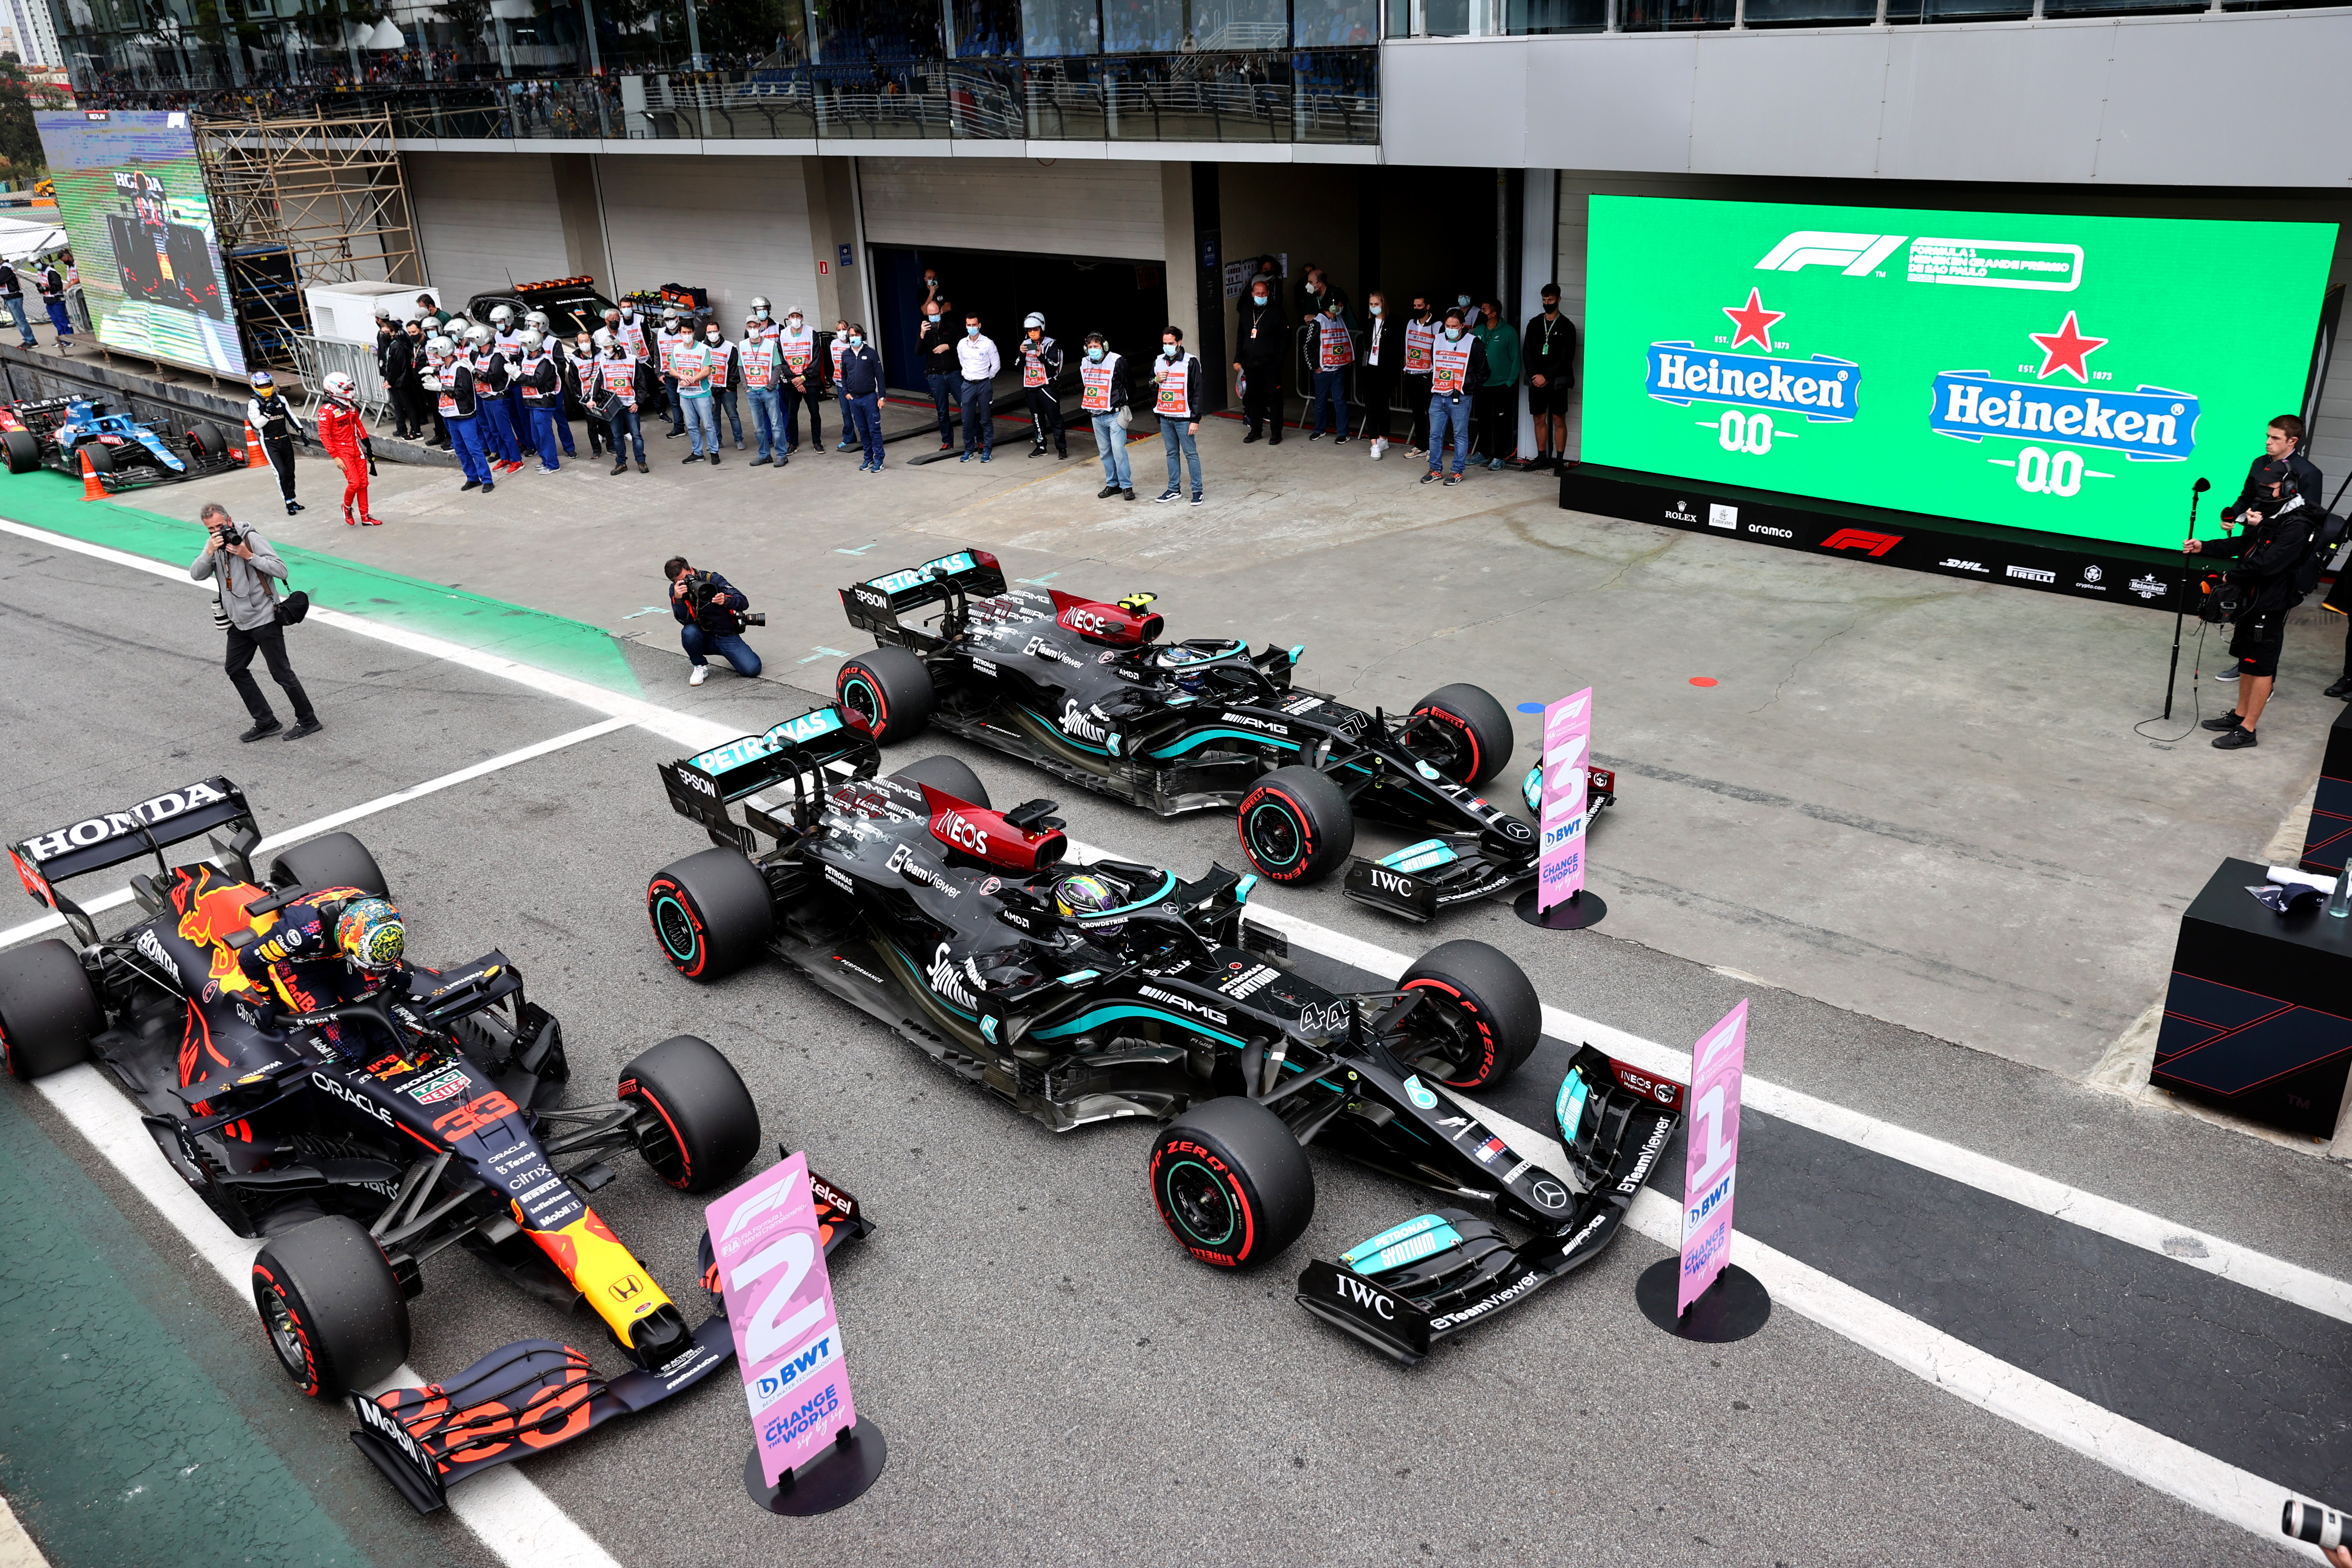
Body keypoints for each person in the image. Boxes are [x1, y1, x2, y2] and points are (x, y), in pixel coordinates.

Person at [2189, 454, 2315, 750]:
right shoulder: (2271, 515)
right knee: (2246, 660)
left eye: (2269, 488)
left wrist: (2230, 577)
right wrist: (2204, 546)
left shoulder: (2298, 524)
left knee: (2261, 667)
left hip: (2270, 603)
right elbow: (2244, 545)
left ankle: (2248, 731)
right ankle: (2239, 715)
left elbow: (2268, 565)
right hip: (2252, 600)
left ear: (2287, 489)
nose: (2263, 493)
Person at [190, 503, 319, 743]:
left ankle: (308, 720)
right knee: (235, 669)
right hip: (238, 623)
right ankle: (266, 721)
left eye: (220, 526)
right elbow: (196, 574)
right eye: (211, 529)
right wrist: (208, 551)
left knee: (281, 673)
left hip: (264, 619)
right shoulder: (214, 545)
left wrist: (248, 556)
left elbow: (282, 571)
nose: (217, 532)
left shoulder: (250, 538)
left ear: (230, 521)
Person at [236, 889, 405, 1045]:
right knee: (349, 1045)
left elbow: (389, 946)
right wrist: (271, 1000)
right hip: (302, 969)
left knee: (391, 1032)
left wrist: (396, 969)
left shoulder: (384, 913)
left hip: (344, 961)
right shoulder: (300, 934)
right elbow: (248, 959)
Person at [665, 555, 762, 686]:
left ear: (691, 570)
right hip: (703, 637)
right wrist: (679, 600)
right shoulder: (677, 591)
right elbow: (685, 620)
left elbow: (744, 603)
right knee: (689, 632)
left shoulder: (712, 579)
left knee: (752, 669)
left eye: (687, 577)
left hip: (726, 635)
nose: (687, 582)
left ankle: (733, 653)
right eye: (681, 582)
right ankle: (700, 666)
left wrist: (727, 600)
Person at [1421, 308, 1487, 487]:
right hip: (1439, 394)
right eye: (1448, 326)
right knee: (1435, 435)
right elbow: (1435, 364)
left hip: (1461, 397)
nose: (1450, 329)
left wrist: (1467, 387)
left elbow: (1484, 372)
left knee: (1460, 435)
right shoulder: (1438, 340)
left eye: (1454, 326)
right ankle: (1435, 469)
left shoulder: (1474, 344)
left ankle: (1457, 471)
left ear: (1463, 326)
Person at [316, 372, 380, 527]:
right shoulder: (326, 411)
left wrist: (368, 446)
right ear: (334, 389)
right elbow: (324, 435)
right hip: (341, 451)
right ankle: (346, 507)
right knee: (355, 483)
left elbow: (358, 425)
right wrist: (335, 456)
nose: (351, 389)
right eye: (347, 387)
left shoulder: (351, 406)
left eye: (351, 386)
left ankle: (365, 517)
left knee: (364, 483)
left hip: (356, 448)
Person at [1524, 283, 1574, 472]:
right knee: (1539, 418)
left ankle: (1560, 461)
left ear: (1558, 300)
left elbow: (1566, 357)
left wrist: (1546, 375)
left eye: (1551, 300)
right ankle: (1542, 457)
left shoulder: (1567, 326)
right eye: (1544, 300)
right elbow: (1527, 352)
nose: (1547, 303)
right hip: (1536, 380)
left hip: (1557, 382)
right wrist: (1535, 375)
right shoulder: (1535, 323)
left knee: (1558, 419)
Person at [1153, 326, 1204, 505]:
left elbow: (1198, 392)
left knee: (1191, 454)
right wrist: (1156, 380)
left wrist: (1195, 420)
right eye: (1165, 343)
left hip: (1184, 418)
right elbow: (1152, 387)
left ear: (1179, 343)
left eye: (1171, 343)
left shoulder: (1190, 362)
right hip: (1166, 417)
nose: (1167, 347)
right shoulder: (1158, 362)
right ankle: (1174, 489)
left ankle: (1197, 491)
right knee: (1171, 454)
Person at [1080, 332, 1135, 501]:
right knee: (1105, 453)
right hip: (1096, 415)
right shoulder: (1085, 363)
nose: (1093, 350)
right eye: (1090, 348)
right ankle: (1113, 484)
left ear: (1104, 347)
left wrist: (1124, 404)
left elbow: (1130, 385)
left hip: (1115, 414)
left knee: (1119, 451)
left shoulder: (1117, 361)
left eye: (1096, 347)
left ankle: (1126, 486)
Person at [244, 371, 306, 516]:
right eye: (262, 386)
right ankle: (288, 503)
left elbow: (290, 416)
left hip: (285, 439)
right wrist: (267, 413)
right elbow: (258, 425)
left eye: (267, 385)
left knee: (290, 472)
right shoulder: (254, 404)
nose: (265, 388)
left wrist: (301, 431)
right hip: (269, 443)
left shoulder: (281, 399)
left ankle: (293, 499)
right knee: (281, 473)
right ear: (255, 387)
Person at [1234, 271, 1285, 444]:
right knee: (1254, 398)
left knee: (1274, 398)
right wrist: (1237, 358)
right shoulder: (1247, 311)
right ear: (1253, 294)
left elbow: (1284, 339)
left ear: (1268, 294)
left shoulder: (1276, 312)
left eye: (1264, 293)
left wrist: (1278, 361)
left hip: (1271, 364)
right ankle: (1255, 431)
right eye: (1258, 294)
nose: (1261, 296)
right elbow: (1241, 336)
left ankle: (1276, 433)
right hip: (1251, 363)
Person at [595, 330, 654, 475]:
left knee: (636, 435)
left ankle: (641, 461)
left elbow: (641, 383)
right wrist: (592, 400)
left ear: (617, 347)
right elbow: (596, 383)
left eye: (607, 348)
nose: (604, 351)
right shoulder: (603, 362)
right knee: (617, 436)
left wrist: (638, 403)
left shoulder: (632, 360)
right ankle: (621, 463)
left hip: (631, 405)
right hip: (613, 407)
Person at [464, 325, 521, 471]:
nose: (471, 344)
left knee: (505, 431)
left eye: (473, 340)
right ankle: (505, 457)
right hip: (486, 398)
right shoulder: (478, 356)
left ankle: (517, 460)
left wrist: (474, 371)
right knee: (495, 431)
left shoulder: (497, 356)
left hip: (498, 398)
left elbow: (492, 377)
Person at [1471, 299, 1520, 470]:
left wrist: (1509, 383)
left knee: (1500, 423)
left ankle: (1499, 456)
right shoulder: (1477, 330)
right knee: (1483, 421)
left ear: (1494, 313)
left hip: (1501, 386)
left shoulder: (1509, 332)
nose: (1480, 313)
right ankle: (1483, 454)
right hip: (1482, 385)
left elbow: (1516, 359)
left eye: (1484, 310)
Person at [1356, 292, 1401, 459]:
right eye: (1371, 304)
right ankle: (1374, 442)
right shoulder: (1368, 323)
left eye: (1377, 304)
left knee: (1383, 405)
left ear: (1383, 303)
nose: (1374, 307)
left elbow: (1397, 348)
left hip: (1386, 371)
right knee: (1370, 406)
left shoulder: (1394, 321)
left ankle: (1383, 437)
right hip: (1370, 369)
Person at [1017, 313, 1066, 459]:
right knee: (1037, 419)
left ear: (1042, 328)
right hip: (1031, 389)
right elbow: (1018, 366)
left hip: (1048, 388)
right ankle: (1041, 446)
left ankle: (1062, 449)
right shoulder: (1026, 344)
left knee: (1055, 419)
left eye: (1036, 329)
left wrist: (1041, 356)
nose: (1032, 333)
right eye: (1029, 330)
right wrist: (1021, 354)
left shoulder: (1052, 344)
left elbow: (1055, 365)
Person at [838, 323, 886, 472]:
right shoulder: (846, 355)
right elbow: (844, 375)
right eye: (851, 335)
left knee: (874, 430)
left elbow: (880, 375)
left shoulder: (871, 353)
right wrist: (846, 392)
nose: (854, 338)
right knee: (863, 430)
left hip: (870, 398)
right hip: (854, 399)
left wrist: (882, 397)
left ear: (862, 336)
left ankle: (879, 459)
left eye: (857, 335)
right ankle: (868, 458)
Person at [1305, 294, 1353, 444]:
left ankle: (1343, 433)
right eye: (1338, 306)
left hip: (1338, 368)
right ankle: (1319, 429)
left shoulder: (1339, 320)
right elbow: (1308, 346)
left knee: (1340, 401)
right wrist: (1315, 366)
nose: (1340, 309)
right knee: (1321, 401)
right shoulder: (1318, 322)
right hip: (1323, 370)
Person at [516, 328, 564, 473]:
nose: (522, 347)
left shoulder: (545, 362)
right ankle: (545, 460)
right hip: (531, 402)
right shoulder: (528, 359)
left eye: (525, 344)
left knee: (545, 435)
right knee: (536, 436)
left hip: (543, 403)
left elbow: (537, 381)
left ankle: (553, 464)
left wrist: (519, 376)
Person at [741, 317, 787, 467]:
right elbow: (741, 367)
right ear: (747, 328)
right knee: (758, 428)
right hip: (752, 392)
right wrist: (746, 388)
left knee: (776, 425)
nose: (753, 330)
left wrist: (771, 386)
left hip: (768, 391)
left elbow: (777, 367)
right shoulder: (742, 346)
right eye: (750, 327)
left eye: (755, 327)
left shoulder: (770, 345)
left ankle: (781, 455)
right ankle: (764, 455)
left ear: (761, 327)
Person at [672, 325, 721, 465]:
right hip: (685, 395)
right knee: (692, 426)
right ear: (680, 333)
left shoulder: (703, 349)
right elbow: (672, 370)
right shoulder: (676, 349)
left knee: (708, 425)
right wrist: (682, 377)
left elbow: (707, 371)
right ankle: (697, 452)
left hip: (702, 394)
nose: (687, 335)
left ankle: (714, 451)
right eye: (684, 332)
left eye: (689, 332)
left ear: (693, 332)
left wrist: (691, 380)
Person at [778, 306, 821, 456]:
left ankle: (817, 442)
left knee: (815, 413)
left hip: (809, 380)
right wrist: (794, 380)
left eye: (798, 316)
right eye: (792, 316)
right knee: (791, 415)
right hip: (792, 383)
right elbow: (781, 360)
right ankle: (793, 444)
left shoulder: (811, 334)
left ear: (802, 318)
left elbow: (816, 358)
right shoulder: (783, 336)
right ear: (789, 318)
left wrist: (803, 378)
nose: (795, 319)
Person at [957, 312, 1000, 462]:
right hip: (968, 385)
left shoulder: (988, 343)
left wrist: (986, 377)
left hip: (984, 385)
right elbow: (962, 363)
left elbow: (996, 365)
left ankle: (987, 450)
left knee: (986, 419)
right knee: (967, 420)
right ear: (966, 326)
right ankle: (969, 450)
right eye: (969, 325)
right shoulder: (962, 344)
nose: (972, 328)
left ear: (979, 325)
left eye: (974, 325)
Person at [919, 296, 960, 449]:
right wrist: (922, 335)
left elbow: (963, 346)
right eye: (930, 315)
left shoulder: (951, 327)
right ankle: (947, 441)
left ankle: (979, 437)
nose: (934, 317)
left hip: (954, 372)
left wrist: (947, 346)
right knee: (942, 412)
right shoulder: (925, 330)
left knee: (966, 406)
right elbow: (918, 351)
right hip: (936, 375)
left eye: (936, 313)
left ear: (941, 312)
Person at [1402, 295, 1436, 454]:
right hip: (1412, 373)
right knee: (1417, 412)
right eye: (1414, 306)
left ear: (1427, 306)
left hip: (1427, 375)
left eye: (1419, 306)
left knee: (1431, 412)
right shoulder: (1410, 323)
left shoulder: (1437, 325)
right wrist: (1406, 369)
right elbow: (1406, 348)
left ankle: (1432, 446)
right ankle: (1421, 444)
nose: (1416, 309)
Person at [703, 320, 744, 451]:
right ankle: (717, 441)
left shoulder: (730, 347)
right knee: (714, 417)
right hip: (710, 390)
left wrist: (729, 386)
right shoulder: (702, 347)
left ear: (719, 331)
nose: (713, 334)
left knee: (733, 415)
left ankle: (739, 440)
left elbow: (735, 369)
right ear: (706, 333)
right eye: (710, 332)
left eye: (715, 331)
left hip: (728, 390)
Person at [655, 306, 689, 440]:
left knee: (691, 402)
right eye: (667, 320)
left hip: (685, 375)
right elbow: (657, 354)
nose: (670, 322)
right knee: (675, 403)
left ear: (678, 319)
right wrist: (659, 373)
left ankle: (694, 425)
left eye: (672, 319)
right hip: (669, 376)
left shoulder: (685, 333)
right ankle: (679, 427)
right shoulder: (660, 333)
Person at [831, 317, 860, 453]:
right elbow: (835, 362)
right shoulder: (833, 345)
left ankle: (867, 435)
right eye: (839, 330)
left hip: (855, 384)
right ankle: (849, 438)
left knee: (859, 411)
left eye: (844, 329)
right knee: (846, 412)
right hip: (841, 384)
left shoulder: (854, 344)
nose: (842, 332)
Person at [37, 255, 71, 346]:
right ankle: (62, 339)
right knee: (56, 321)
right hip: (49, 300)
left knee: (62, 319)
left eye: (36, 262)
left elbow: (58, 286)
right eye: (33, 264)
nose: (35, 265)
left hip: (57, 299)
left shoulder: (51, 272)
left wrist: (46, 288)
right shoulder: (40, 272)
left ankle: (71, 339)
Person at [0, 257, 31, 348]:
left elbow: (1, 280)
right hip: (9, 297)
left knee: (21, 320)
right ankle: (27, 339)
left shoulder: (6, 267)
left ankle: (31, 340)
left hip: (14, 296)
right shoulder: (3, 267)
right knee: (17, 321)